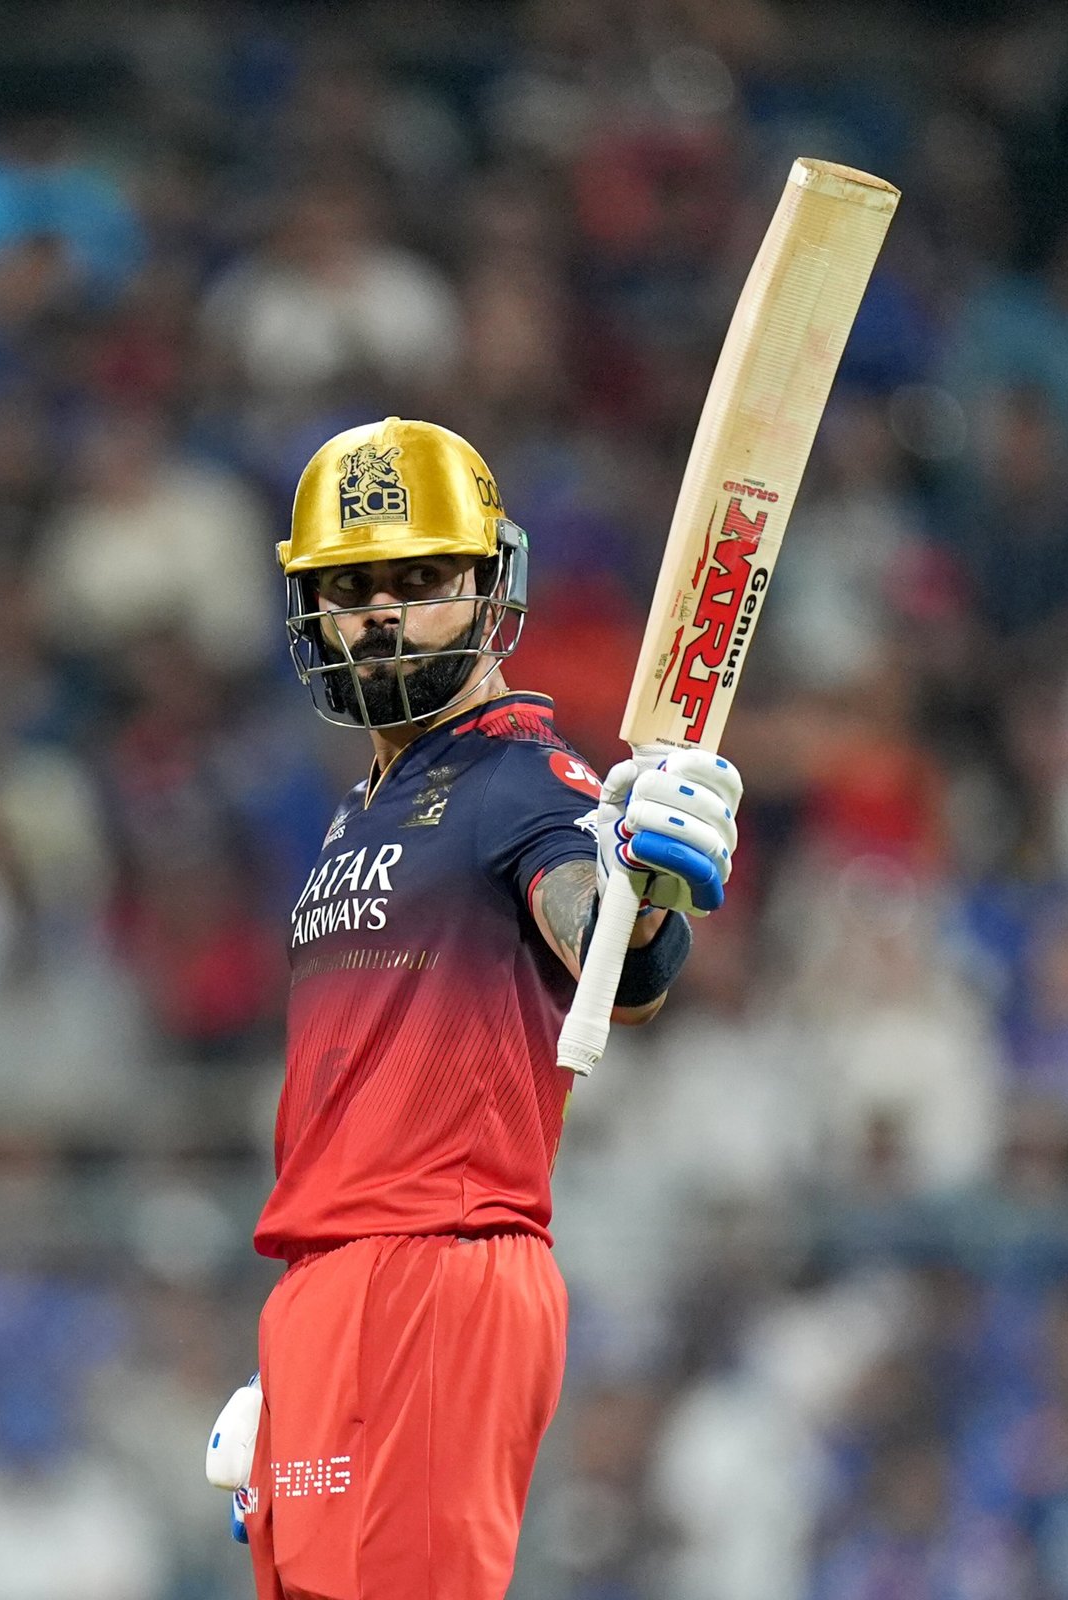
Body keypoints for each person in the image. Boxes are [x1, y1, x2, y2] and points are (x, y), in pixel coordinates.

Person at [209, 417, 743, 1600]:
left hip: (438, 1277)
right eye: (352, 588)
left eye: (420, 580)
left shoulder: (526, 779)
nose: (382, 615)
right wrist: (299, 1346)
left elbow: (609, 952)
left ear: (490, 583)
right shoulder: (360, 808)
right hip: (330, 1293)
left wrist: (644, 887)